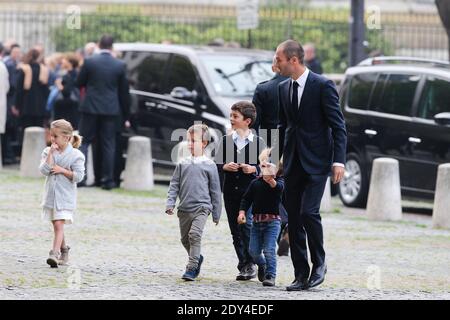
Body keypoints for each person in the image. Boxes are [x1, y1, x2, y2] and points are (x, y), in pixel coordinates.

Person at [275, 40, 346, 291]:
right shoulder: (283, 88)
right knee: (293, 218)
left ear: (293, 60)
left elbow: (338, 126)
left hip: (317, 161)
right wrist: (279, 159)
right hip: (293, 162)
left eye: (279, 60)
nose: (276, 65)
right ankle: (300, 274)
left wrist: (338, 161)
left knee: (308, 213)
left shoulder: (323, 85)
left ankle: (319, 264)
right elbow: (285, 127)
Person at [215, 101, 266, 281]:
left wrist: (254, 170)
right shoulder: (225, 141)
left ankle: (258, 261)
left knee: (248, 227)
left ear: (248, 121)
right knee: (235, 230)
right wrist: (225, 166)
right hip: (230, 192)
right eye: (231, 116)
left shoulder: (259, 143)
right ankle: (245, 265)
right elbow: (217, 164)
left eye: (235, 116)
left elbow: (269, 169)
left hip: (251, 194)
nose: (231, 119)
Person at [166, 123, 222, 281]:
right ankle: (197, 257)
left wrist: (216, 213)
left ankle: (191, 268)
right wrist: (170, 203)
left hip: (202, 208)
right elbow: (174, 185)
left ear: (204, 143)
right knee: (185, 239)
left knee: (194, 235)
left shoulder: (210, 165)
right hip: (184, 209)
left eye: (193, 141)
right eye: (188, 141)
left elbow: (215, 191)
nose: (190, 144)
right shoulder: (182, 164)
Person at [76, 34, 129, 190]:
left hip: (91, 106)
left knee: (84, 142)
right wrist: (126, 114)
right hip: (110, 109)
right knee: (108, 144)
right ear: (112, 47)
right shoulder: (119, 65)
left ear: (99, 44)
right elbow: (123, 92)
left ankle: (81, 177)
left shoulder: (90, 61)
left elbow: (79, 82)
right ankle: (107, 179)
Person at [38, 119, 85, 268]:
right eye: (51, 136)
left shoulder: (77, 155)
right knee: (57, 225)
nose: (52, 139)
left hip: (65, 197)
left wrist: (62, 170)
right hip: (51, 196)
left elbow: (79, 176)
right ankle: (64, 249)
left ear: (66, 137)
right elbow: (44, 171)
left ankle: (54, 254)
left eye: (55, 136)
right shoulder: (47, 151)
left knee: (59, 224)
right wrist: (51, 153)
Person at [238, 148, 284, 287]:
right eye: (263, 166)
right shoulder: (255, 183)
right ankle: (262, 264)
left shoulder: (279, 182)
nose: (265, 169)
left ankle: (270, 275)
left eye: (269, 166)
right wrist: (242, 212)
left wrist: (271, 180)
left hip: (273, 222)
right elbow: (246, 199)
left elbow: (278, 189)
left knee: (269, 249)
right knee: (253, 251)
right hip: (257, 222)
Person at [15, 48, 50, 129]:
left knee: (26, 130)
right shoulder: (44, 69)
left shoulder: (24, 69)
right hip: (40, 107)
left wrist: (17, 105)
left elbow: (19, 90)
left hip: (26, 106)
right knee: (39, 130)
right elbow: (46, 91)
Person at [53, 54, 80, 129]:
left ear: (70, 63)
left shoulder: (70, 75)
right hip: (70, 107)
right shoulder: (74, 73)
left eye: (64, 59)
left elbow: (66, 91)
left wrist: (58, 84)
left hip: (67, 108)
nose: (62, 61)